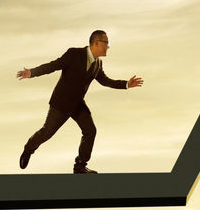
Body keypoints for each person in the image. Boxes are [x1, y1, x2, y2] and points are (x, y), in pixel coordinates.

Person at [16, 30, 143, 173]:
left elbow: (105, 81)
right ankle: (28, 149)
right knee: (47, 133)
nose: (108, 47)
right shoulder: (74, 54)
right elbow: (53, 65)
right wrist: (32, 72)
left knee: (90, 131)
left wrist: (126, 84)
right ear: (96, 43)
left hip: (77, 104)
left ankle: (80, 166)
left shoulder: (98, 64)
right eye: (106, 43)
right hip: (61, 103)